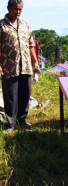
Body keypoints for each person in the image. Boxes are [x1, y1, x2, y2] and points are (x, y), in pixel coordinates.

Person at [0, 0, 40, 132]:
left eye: (20, 9)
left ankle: (22, 120)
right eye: (15, 9)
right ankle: (11, 124)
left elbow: (31, 45)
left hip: (26, 66)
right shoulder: (1, 25)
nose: (18, 12)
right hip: (9, 67)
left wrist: (35, 62)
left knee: (25, 94)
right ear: (8, 8)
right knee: (10, 96)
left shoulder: (25, 25)